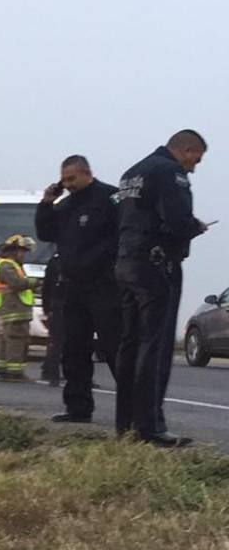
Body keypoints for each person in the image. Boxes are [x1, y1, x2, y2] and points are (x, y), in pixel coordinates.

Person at [114, 130, 210, 447]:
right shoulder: (170, 172)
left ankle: (126, 424)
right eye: (195, 158)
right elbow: (177, 221)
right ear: (186, 149)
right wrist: (194, 227)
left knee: (130, 344)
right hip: (157, 265)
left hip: (127, 262)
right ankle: (150, 427)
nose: (194, 167)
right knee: (154, 347)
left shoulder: (132, 173)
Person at [35, 155, 122, 422]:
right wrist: (46, 203)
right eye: (64, 180)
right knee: (73, 349)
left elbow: (121, 235)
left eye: (72, 179)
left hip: (104, 286)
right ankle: (78, 408)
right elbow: (45, 233)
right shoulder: (65, 205)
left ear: (86, 173)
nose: (68, 184)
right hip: (73, 288)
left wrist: (97, 261)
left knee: (115, 348)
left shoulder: (110, 198)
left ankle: (134, 409)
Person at [0, 235, 37, 381]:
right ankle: (14, 373)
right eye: (21, 251)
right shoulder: (7, 266)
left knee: (7, 338)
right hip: (14, 309)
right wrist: (34, 282)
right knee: (16, 339)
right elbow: (17, 283)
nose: (23, 255)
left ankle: (4, 369)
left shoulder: (11, 265)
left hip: (13, 308)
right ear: (12, 252)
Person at [39, 252, 63, 386]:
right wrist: (47, 309)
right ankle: (53, 374)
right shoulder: (56, 262)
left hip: (74, 306)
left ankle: (50, 370)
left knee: (79, 342)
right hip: (59, 307)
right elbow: (47, 287)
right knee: (57, 342)